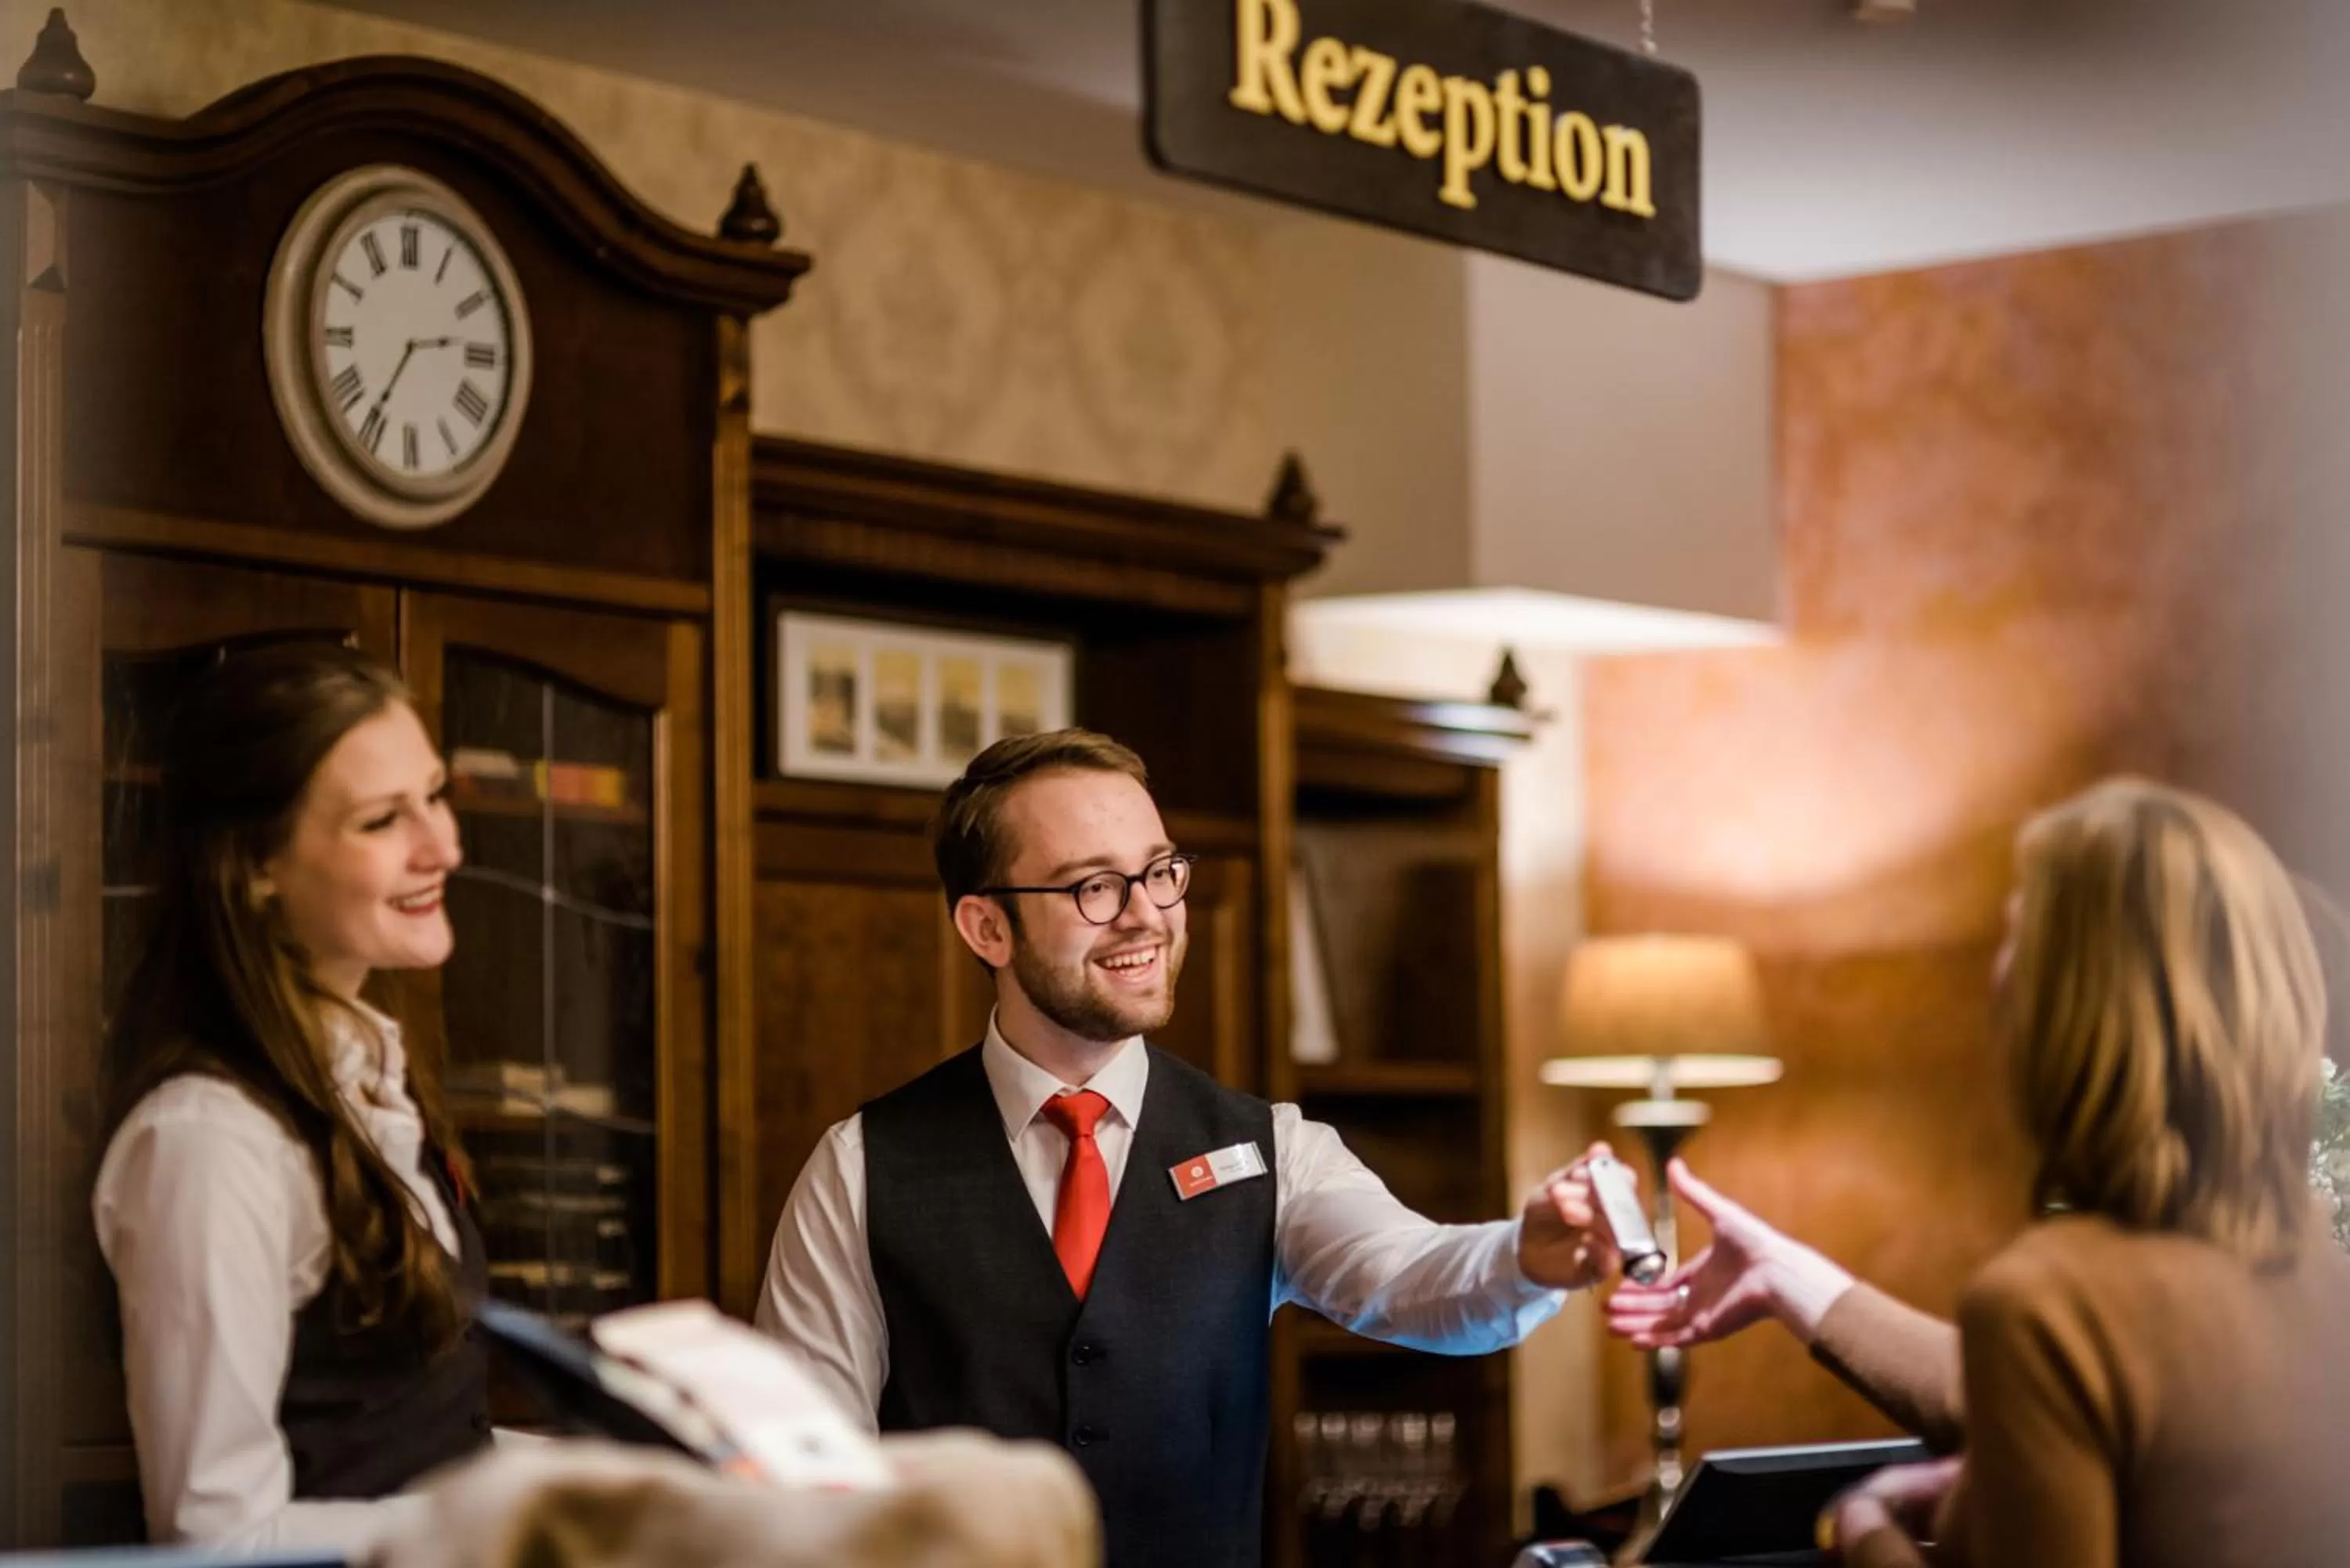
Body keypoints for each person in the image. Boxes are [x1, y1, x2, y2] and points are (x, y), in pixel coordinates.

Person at [756, 728, 1622, 1568]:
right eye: (1092, 886)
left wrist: (1524, 1257)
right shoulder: (862, 1164)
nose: (1147, 916)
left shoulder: (1272, 1147)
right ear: (987, 928)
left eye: (1160, 872)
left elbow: (1404, 1277)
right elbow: (800, 1482)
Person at [1605, 778, 2350, 1568]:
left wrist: (1862, 1528)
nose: (1999, 974)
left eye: (2019, 935)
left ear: (2068, 1008)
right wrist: (1788, 1276)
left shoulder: (2050, 1301)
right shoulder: (2315, 1261)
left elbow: (2063, 1355)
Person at [92, 644, 486, 1552]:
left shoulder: (369, 1082)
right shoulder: (207, 1142)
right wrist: (493, 1526)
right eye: (384, 820)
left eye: (436, 795)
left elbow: (416, 1438)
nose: (445, 847)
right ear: (257, 865)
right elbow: (217, 1535)